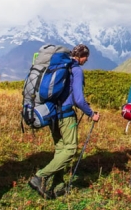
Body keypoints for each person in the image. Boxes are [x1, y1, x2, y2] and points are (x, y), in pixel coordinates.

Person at [28, 44, 100, 199]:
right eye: (86, 57)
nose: (86, 60)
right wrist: (91, 113)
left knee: (60, 149)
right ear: (83, 56)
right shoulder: (76, 70)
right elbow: (79, 99)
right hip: (66, 115)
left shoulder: (60, 67)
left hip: (52, 114)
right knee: (70, 148)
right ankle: (41, 176)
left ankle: (58, 186)